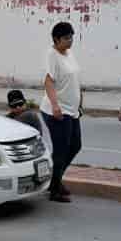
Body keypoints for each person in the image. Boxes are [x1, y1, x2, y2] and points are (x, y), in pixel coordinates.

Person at [42, 21, 83, 203]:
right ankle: (54, 188)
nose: (70, 41)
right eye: (66, 38)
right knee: (61, 150)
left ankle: (54, 180)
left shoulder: (69, 53)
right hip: (57, 111)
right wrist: (55, 105)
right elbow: (49, 82)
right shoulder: (52, 55)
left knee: (75, 145)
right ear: (56, 39)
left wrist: (80, 103)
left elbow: (74, 79)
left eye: (71, 37)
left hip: (72, 110)